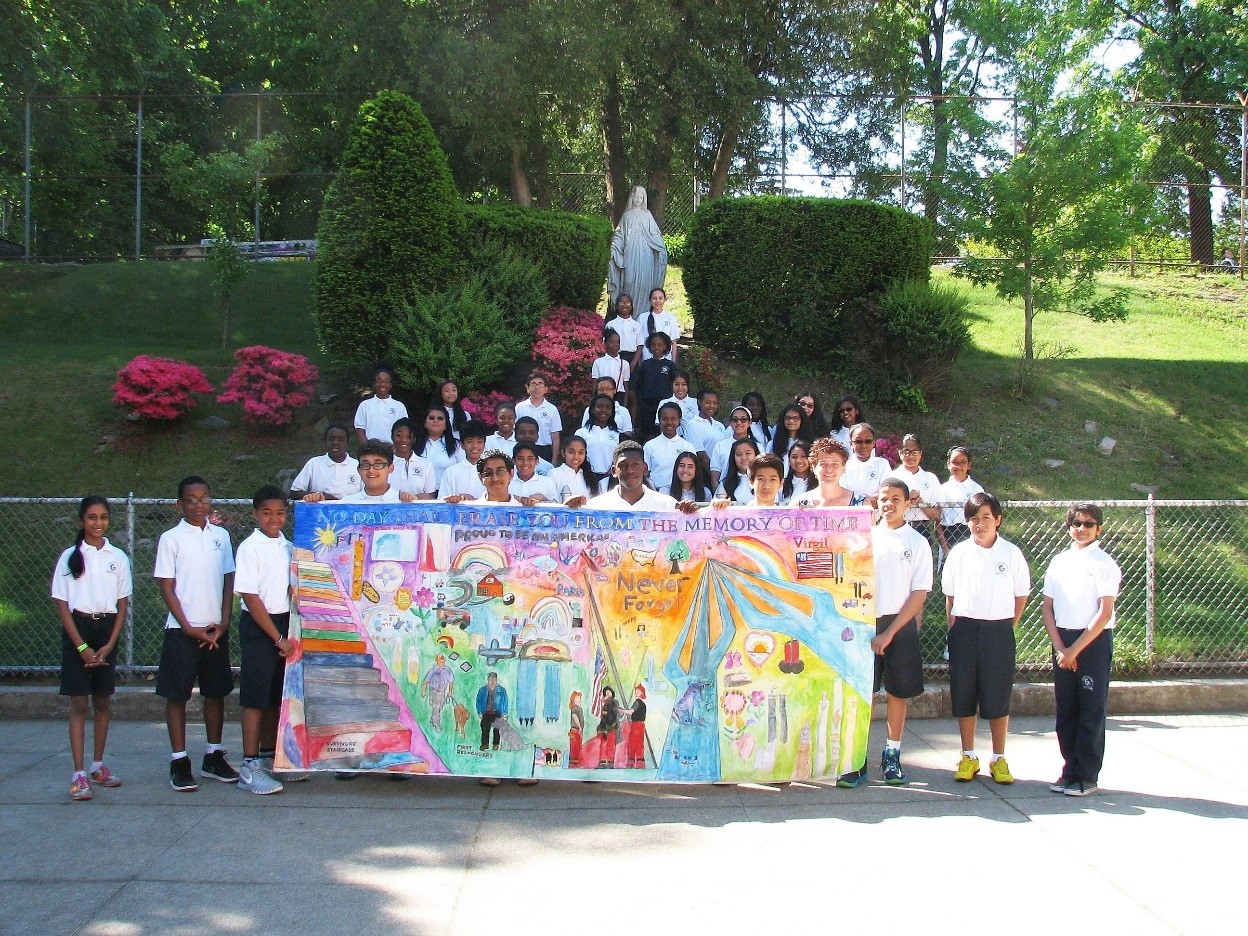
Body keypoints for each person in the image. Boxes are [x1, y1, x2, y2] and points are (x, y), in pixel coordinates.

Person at [837, 479, 931, 788]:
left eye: (895, 499)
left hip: (899, 625)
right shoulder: (864, 538)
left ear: (907, 503)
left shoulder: (917, 542)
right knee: (863, 692)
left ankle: (892, 755)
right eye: (883, 499)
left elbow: (918, 594)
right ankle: (857, 758)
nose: (888, 504)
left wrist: (890, 632)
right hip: (864, 623)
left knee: (897, 693)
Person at [154, 476, 238, 792]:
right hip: (183, 631)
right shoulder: (171, 539)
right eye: (191, 499)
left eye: (204, 497)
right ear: (181, 504)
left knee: (215, 693)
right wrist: (188, 626)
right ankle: (179, 760)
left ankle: (214, 756)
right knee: (177, 696)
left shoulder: (221, 536)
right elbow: (166, 585)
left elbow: (229, 580)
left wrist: (224, 621)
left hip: (215, 631)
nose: (199, 504)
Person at [941, 492, 1030, 785]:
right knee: (964, 694)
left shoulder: (1011, 553)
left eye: (986, 518)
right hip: (965, 629)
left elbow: (1021, 596)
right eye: (975, 518)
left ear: (998, 520)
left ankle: (998, 758)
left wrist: (1005, 626)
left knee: (997, 694)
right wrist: (955, 630)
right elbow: (950, 598)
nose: (980, 524)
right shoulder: (958, 553)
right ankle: (968, 755)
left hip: (998, 631)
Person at [51, 495, 132, 801]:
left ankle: (98, 766)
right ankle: (79, 773)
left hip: (106, 631)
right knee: (79, 704)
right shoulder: (70, 557)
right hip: (79, 632)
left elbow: (122, 602)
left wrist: (110, 643)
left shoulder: (118, 557)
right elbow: (62, 604)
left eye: (103, 518)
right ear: (81, 521)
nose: (98, 523)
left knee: (102, 701)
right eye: (91, 518)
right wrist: (82, 646)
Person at [1041, 503, 1122, 797]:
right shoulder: (1059, 562)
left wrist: (1075, 650)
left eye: (1088, 524)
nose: (1082, 529)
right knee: (1067, 709)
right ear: (1068, 527)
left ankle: (1086, 775)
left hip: (1091, 642)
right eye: (1076, 523)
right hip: (1063, 642)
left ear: (1098, 528)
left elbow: (1103, 613)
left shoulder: (1104, 564)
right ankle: (1069, 769)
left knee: (1090, 710)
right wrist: (1062, 648)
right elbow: (1047, 608)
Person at [234, 485, 297, 795]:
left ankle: (271, 758)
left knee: (275, 696)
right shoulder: (250, 547)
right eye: (267, 513)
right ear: (255, 514)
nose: (274, 519)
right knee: (254, 697)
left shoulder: (288, 547)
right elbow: (250, 596)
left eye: (280, 513)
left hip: (285, 623)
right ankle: (249, 766)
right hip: (262, 626)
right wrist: (278, 637)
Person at [607, 185, 668, 322]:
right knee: (628, 281)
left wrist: (660, 245)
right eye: (636, 196)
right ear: (632, 198)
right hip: (630, 252)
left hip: (646, 253)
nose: (638, 199)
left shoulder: (647, 215)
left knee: (645, 284)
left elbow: (654, 233)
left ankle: (643, 318)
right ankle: (627, 317)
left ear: (644, 199)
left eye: (641, 197)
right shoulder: (627, 215)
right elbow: (620, 234)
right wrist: (615, 245)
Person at [588, 441, 699, 513]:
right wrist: (571, 508)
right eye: (623, 465)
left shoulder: (667, 505)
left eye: (635, 464)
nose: (630, 470)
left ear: (645, 468)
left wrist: (691, 514)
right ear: (614, 471)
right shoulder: (596, 506)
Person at [885, 434, 942, 538]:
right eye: (906, 452)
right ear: (900, 453)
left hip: (923, 529)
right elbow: (887, 508)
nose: (910, 456)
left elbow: (937, 516)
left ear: (920, 454)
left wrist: (921, 502)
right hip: (898, 527)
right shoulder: (892, 477)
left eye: (915, 452)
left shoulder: (930, 478)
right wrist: (907, 498)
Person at [290, 425, 361, 502]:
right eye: (331, 439)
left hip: (351, 511)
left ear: (347, 443)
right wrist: (321, 495)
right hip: (318, 512)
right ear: (325, 441)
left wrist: (339, 503)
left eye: (341, 439)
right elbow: (294, 493)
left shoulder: (357, 465)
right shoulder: (314, 463)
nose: (335, 442)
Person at [936, 446, 984, 555]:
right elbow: (937, 522)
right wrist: (945, 548)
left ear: (969, 465)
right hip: (948, 535)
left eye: (963, 462)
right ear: (948, 465)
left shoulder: (976, 489)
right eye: (954, 462)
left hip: (970, 534)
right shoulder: (942, 489)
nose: (959, 466)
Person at [630, 332, 677, 441]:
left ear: (665, 346)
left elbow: (675, 383)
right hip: (647, 406)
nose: (656, 348)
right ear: (649, 346)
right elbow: (638, 385)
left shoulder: (670, 365)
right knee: (647, 434)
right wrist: (642, 402)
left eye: (660, 345)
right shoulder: (645, 365)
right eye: (653, 345)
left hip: (664, 405)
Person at [796, 438, 865, 508]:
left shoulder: (862, 504)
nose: (829, 469)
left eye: (835, 464)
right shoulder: (798, 505)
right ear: (813, 468)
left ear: (844, 468)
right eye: (823, 464)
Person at [645, 402, 697, 494]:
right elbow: (645, 474)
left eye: (673, 419)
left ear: (679, 421)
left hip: (681, 495)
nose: (669, 422)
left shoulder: (687, 446)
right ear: (659, 421)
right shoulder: (650, 446)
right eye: (665, 419)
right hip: (656, 493)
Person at [515, 373, 563, 465]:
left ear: (546, 389)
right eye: (533, 384)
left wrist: (554, 461)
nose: (537, 387)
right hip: (523, 448)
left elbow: (555, 437)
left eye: (540, 384)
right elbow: (515, 432)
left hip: (544, 450)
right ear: (528, 388)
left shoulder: (552, 409)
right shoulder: (519, 407)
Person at [353, 366, 407, 445]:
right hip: (371, 449)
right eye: (379, 381)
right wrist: (367, 448)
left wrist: (395, 448)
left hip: (392, 449)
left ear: (391, 384)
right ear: (374, 384)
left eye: (386, 381)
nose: (382, 384)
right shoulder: (365, 405)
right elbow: (360, 429)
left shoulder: (399, 406)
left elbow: (403, 429)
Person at [438, 419, 489, 502]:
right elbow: (441, 501)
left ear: (484, 444)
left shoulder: (491, 471)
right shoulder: (451, 472)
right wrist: (458, 497)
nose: (475, 446)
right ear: (462, 445)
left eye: (479, 442)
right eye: (470, 442)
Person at [412, 405, 463, 486]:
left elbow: (462, 471)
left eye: (440, 418)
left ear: (446, 425)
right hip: (420, 495)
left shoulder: (457, 446)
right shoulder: (414, 444)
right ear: (425, 423)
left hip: (449, 494)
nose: (435, 421)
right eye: (431, 418)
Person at [390, 417, 437, 500]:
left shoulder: (425, 464)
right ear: (392, 436)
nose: (403, 440)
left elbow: (431, 496)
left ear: (414, 439)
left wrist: (420, 497)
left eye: (408, 436)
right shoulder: (385, 463)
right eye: (398, 435)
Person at [577, 394, 624, 476]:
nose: (603, 410)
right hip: (586, 477)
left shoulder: (618, 435)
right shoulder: (581, 433)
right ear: (592, 409)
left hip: (610, 479)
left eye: (608, 407)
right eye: (599, 406)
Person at [843, 423, 890, 505]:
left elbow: (888, 488)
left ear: (873, 443)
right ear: (851, 443)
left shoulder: (882, 464)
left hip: (876, 511)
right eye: (858, 441)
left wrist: (870, 501)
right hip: (849, 512)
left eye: (868, 441)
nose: (863, 445)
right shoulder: (844, 466)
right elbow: (842, 491)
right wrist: (863, 501)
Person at [710, 406, 754, 490]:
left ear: (749, 423)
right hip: (726, 492)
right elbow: (714, 478)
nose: (739, 422)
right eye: (735, 420)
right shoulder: (720, 446)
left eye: (743, 419)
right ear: (730, 422)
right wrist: (720, 497)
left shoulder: (758, 446)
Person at [551, 435, 602, 507]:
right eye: (571, 452)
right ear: (563, 453)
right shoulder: (554, 474)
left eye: (581, 453)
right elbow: (551, 501)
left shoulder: (590, 477)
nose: (576, 457)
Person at [685, 388, 728, 473]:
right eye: (707, 402)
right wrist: (715, 476)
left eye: (714, 403)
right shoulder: (693, 425)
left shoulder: (719, 425)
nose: (711, 406)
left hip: (724, 471)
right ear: (699, 402)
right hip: (707, 474)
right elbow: (701, 456)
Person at [635, 286, 679, 366]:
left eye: (660, 298)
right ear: (650, 300)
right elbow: (640, 342)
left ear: (665, 300)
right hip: (647, 358)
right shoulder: (642, 317)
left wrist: (673, 363)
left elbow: (673, 342)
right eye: (654, 298)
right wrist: (640, 362)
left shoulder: (671, 318)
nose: (657, 301)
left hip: (666, 359)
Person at [716, 438, 761, 505]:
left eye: (748, 453)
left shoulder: (765, 479)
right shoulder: (725, 483)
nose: (744, 457)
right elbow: (716, 507)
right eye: (739, 454)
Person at [591, 329, 631, 401]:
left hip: (619, 396)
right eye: (612, 342)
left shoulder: (625, 363)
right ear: (605, 344)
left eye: (618, 342)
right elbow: (595, 384)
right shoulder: (598, 362)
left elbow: (626, 386)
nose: (615, 344)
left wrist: (625, 404)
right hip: (602, 396)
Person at [421, 654, 455, 734]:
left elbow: (451, 681)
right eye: (440, 662)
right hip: (434, 691)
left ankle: (433, 718)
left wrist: (450, 691)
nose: (442, 663)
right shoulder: (433, 670)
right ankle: (436, 724)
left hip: (442, 692)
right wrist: (423, 690)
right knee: (435, 707)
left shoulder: (447, 670)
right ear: (437, 661)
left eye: (443, 662)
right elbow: (426, 680)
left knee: (440, 707)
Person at [603, 293, 643, 362]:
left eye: (627, 303)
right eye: (621, 303)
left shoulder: (637, 325)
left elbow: (640, 347)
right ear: (617, 306)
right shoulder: (611, 324)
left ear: (631, 306)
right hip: (615, 357)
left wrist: (633, 364)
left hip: (632, 358)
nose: (624, 305)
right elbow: (605, 344)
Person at [595, 685, 622, 768]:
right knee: (603, 745)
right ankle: (602, 762)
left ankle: (610, 763)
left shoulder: (614, 702)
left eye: (609, 691)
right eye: (605, 692)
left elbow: (617, 713)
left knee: (610, 745)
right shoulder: (604, 705)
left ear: (612, 693)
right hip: (604, 727)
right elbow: (603, 716)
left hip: (612, 727)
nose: (607, 693)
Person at [780, 440, 814, 504]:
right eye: (794, 457)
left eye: (803, 456)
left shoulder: (819, 485)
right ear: (789, 460)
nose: (798, 460)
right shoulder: (782, 484)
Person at [625, 684, 648, 767]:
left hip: (636, 725)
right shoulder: (643, 704)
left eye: (638, 691)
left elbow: (631, 711)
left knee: (632, 743)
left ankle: (630, 763)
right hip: (641, 725)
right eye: (636, 691)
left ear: (641, 693)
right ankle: (640, 764)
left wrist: (622, 710)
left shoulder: (637, 702)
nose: (636, 692)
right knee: (639, 745)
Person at [568, 690, 585, 767]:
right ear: (574, 699)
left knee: (578, 746)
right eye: (578, 697)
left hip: (577, 730)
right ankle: (574, 763)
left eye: (579, 697)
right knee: (575, 747)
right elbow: (575, 717)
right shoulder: (575, 708)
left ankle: (576, 762)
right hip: (575, 730)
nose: (579, 699)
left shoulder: (579, 708)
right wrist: (579, 727)